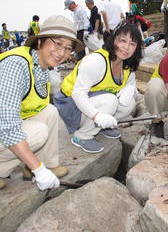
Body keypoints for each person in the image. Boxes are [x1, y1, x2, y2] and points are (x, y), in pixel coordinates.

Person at [0, 15, 85, 190]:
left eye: (68, 48)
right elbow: (7, 125)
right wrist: (38, 169)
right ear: (39, 42)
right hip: (4, 124)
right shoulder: (16, 64)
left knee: (49, 111)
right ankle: (31, 167)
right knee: (38, 132)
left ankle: (45, 164)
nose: (62, 52)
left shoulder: (41, 67)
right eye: (57, 43)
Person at [54, 23, 143, 153]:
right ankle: (82, 135)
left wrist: (130, 88)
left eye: (132, 44)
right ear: (113, 40)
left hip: (94, 100)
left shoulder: (127, 66)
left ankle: (101, 127)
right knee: (110, 101)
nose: (126, 47)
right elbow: (78, 94)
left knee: (129, 104)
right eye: (123, 40)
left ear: (137, 48)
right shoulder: (96, 61)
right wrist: (97, 116)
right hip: (71, 104)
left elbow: (131, 85)